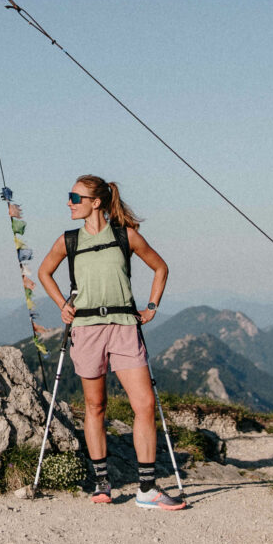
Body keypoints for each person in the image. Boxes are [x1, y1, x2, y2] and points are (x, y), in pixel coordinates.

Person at [36, 175, 182, 509]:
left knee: (144, 404)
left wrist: (152, 307)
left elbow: (160, 268)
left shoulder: (125, 236)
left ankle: (146, 489)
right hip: (86, 328)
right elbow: (44, 272)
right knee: (95, 406)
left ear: (96, 202)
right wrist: (63, 305)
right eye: (70, 196)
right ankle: (103, 484)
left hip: (124, 326)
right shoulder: (68, 240)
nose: (70, 202)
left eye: (76, 197)